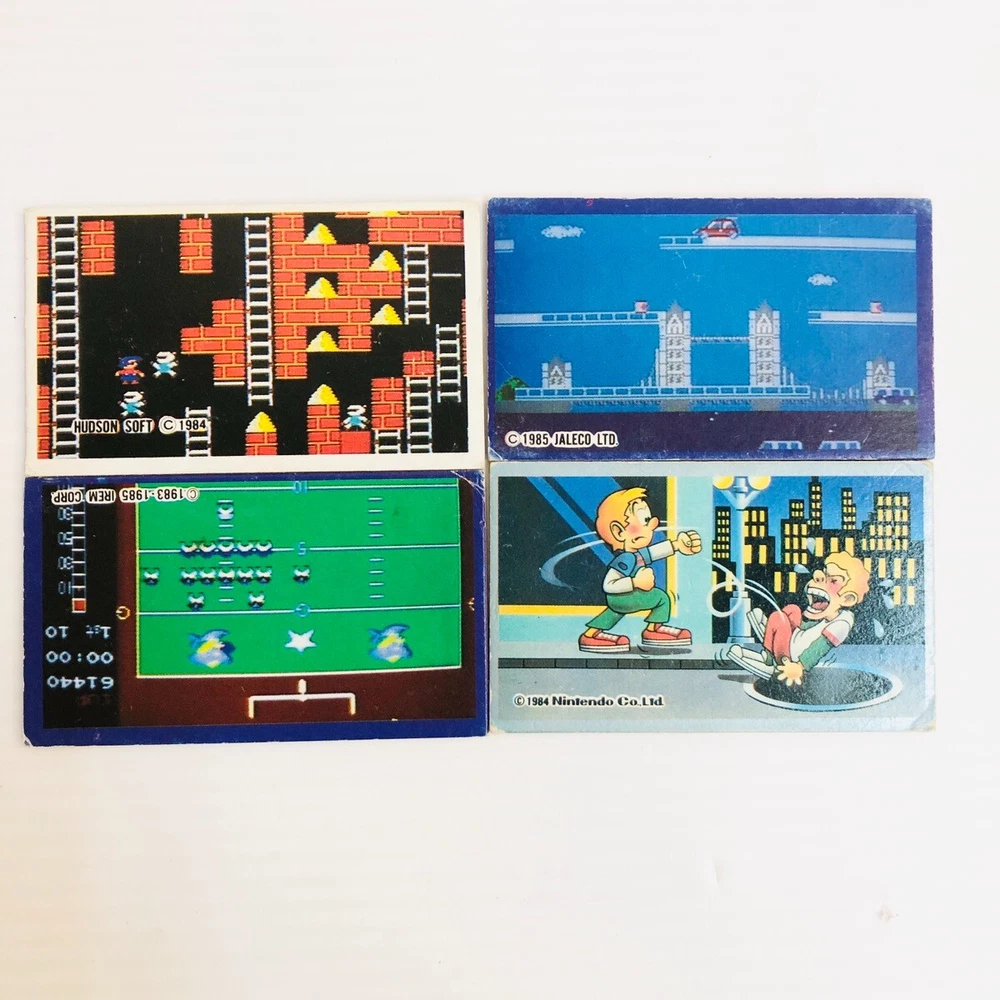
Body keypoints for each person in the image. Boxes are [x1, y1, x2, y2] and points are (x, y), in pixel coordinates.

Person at [578, 487, 701, 654]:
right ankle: (653, 629)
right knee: (661, 598)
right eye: (644, 521)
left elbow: (655, 552)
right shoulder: (626, 559)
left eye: (649, 520)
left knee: (615, 612)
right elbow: (609, 585)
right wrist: (635, 582)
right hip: (622, 597)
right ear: (619, 531)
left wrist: (678, 545)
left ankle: (590, 635)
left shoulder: (637, 554)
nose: (652, 525)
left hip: (624, 598)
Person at [727, 553, 870, 686]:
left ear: (847, 599)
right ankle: (770, 649)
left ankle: (775, 659)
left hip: (792, 658)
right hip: (795, 641)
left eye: (833, 580)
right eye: (824, 574)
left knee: (778, 619)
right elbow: (807, 627)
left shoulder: (841, 624)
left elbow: (819, 648)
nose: (818, 577)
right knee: (793, 610)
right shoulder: (829, 615)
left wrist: (799, 666)